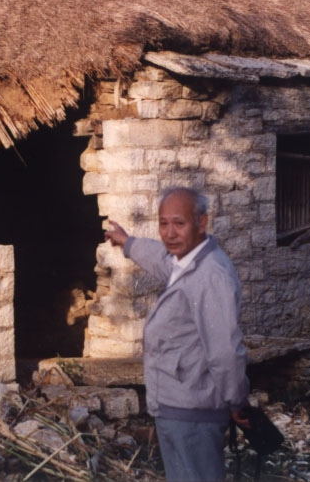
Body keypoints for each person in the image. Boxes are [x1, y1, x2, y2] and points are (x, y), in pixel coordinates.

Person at [104, 186, 250, 482]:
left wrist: (236, 402)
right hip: (176, 404)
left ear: (202, 223)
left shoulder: (211, 275)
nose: (169, 233)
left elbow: (225, 352)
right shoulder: (186, 260)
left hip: (193, 410)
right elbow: (161, 259)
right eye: (163, 223)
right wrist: (127, 243)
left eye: (179, 223)